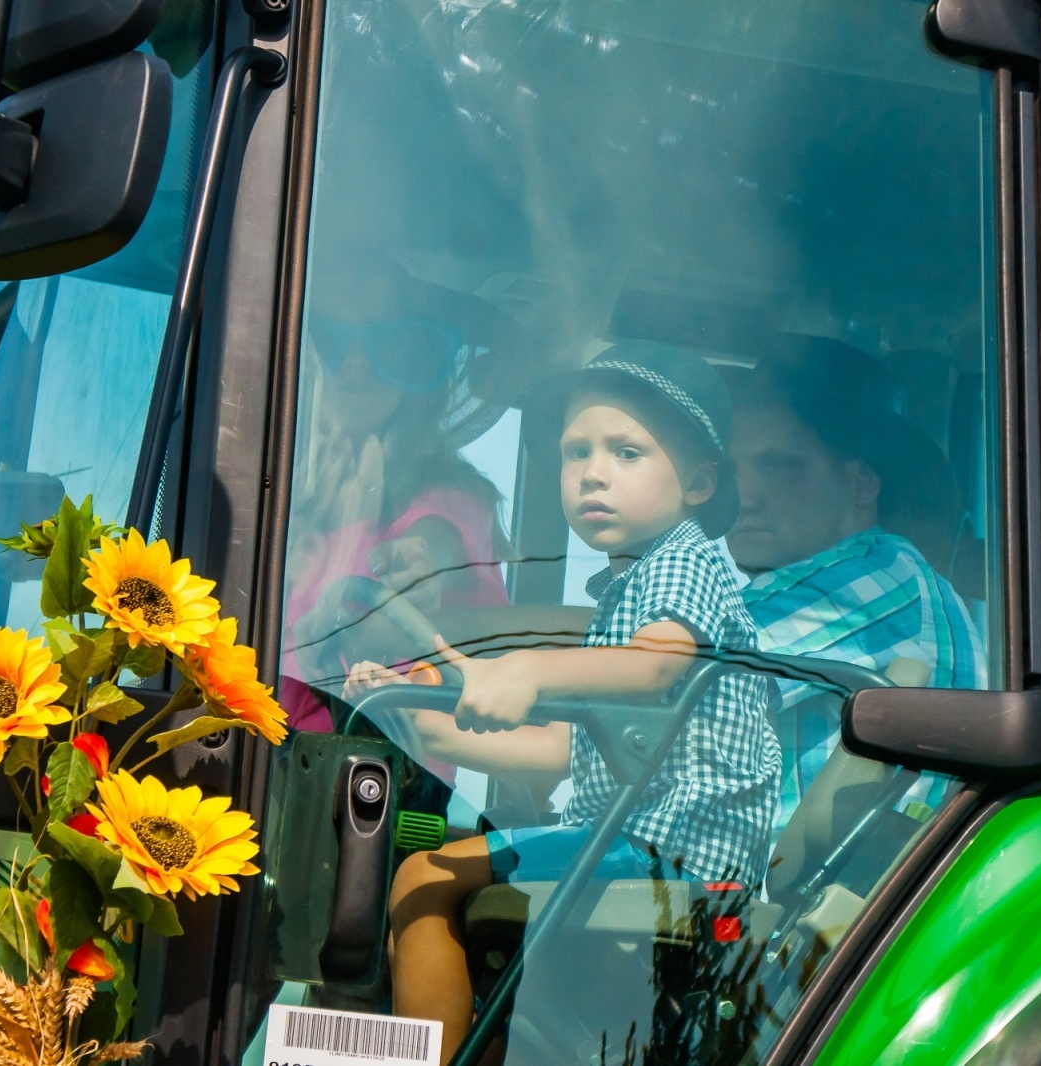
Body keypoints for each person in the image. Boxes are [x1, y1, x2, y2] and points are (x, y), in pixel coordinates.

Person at [345, 343, 780, 1061]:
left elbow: (651, 668)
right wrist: (426, 725)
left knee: (424, 877)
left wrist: (528, 669)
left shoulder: (685, 562)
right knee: (445, 873)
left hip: (673, 849)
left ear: (700, 481)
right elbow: (560, 749)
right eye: (575, 453)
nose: (593, 473)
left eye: (627, 452)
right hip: (637, 838)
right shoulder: (630, 588)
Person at [725, 336, 986, 831]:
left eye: (780, 466)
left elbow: (663, 672)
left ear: (863, 483)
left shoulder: (875, 577)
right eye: (733, 470)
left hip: (802, 899)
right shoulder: (881, 576)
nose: (745, 497)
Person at [280, 264, 520, 733]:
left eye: (386, 344)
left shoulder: (450, 493)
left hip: (388, 776)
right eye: (330, 342)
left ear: (420, 368)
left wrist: (422, 563)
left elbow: (435, 541)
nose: (354, 362)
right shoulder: (284, 503)